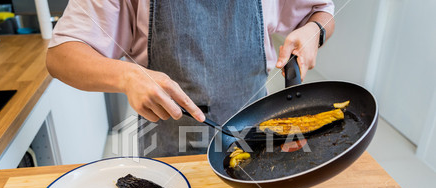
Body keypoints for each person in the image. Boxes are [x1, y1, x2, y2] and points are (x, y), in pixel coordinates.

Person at [46, 0, 335, 157]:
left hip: (256, 136)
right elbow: (61, 55)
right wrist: (127, 75)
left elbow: (321, 11)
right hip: (170, 145)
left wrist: (314, 32)